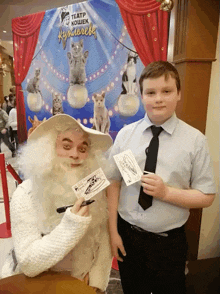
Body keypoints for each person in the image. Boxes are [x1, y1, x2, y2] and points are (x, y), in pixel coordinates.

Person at [107, 61, 216, 294]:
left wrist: (167, 193)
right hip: (128, 236)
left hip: (169, 242)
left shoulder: (195, 141)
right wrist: (113, 232)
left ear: (178, 94)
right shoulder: (126, 136)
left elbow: (207, 196)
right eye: (150, 92)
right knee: (132, 288)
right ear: (141, 95)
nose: (158, 99)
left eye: (166, 91)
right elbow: (114, 182)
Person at [1, 114, 113, 294]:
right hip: (38, 286)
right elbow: (28, 262)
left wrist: (97, 280)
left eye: (82, 149)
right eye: (66, 146)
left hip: (81, 283)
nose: (75, 154)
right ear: (49, 148)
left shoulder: (93, 189)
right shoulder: (27, 194)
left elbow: (103, 238)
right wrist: (72, 226)